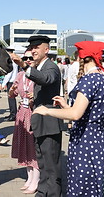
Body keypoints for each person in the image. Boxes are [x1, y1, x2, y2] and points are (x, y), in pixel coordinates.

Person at [33, 40, 104, 196]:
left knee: (81, 187)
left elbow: (75, 114)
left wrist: (46, 111)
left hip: (85, 142)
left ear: (82, 58)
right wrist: (65, 106)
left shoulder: (89, 80)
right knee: (94, 187)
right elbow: (89, 113)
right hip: (99, 141)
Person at [10, 35, 63, 196]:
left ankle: (52, 193)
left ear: (46, 50)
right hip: (40, 122)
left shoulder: (51, 66)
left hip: (49, 124)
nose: (33, 50)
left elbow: (47, 79)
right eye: (31, 47)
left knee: (51, 166)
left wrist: (24, 67)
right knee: (42, 163)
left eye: (36, 47)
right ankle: (42, 191)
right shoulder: (40, 67)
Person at [8, 49, 39, 194]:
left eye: (30, 57)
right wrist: (12, 90)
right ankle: (29, 177)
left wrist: (35, 96)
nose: (27, 60)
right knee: (24, 146)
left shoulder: (38, 76)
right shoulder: (20, 75)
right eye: (25, 57)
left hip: (33, 113)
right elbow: (11, 96)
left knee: (33, 147)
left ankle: (36, 179)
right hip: (22, 113)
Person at [1, 47, 19, 121]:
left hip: (11, 81)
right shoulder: (14, 60)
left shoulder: (11, 60)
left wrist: (3, 84)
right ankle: (12, 113)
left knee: (11, 98)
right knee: (11, 98)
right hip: (13, 80)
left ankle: (13, 115)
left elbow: (9, 73)